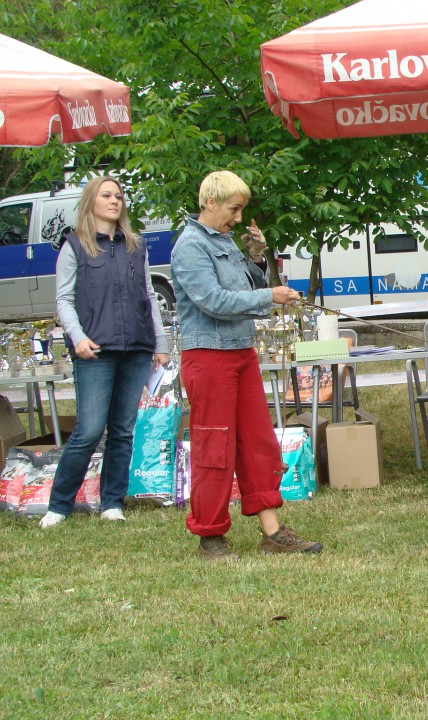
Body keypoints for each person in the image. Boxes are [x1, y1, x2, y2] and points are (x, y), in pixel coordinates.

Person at [171, 170, 322, 560]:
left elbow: (241, 287)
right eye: (234, 209)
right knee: (215, 449)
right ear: (210, 202)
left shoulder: (223, 241)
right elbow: (214, 301)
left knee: (257, 443)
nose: (239, 218)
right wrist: (267, 296)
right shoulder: (189, 246)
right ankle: (211, 537)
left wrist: (254, 257)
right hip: (208, 357)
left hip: (240, 352)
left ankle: (272, 532)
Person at [39, 176, 171, 529]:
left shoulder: (135, 246)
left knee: (123, 430)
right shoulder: (75, 245)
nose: (116, 200)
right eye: (107, 195)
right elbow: (64, 299)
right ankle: (59, 504)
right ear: (91, 202)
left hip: (136, 348)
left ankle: (113, 501)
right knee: (89, 430)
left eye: (119, 195)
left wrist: (160, 343)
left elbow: (148, 296)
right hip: (95, 350)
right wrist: (77, 336)